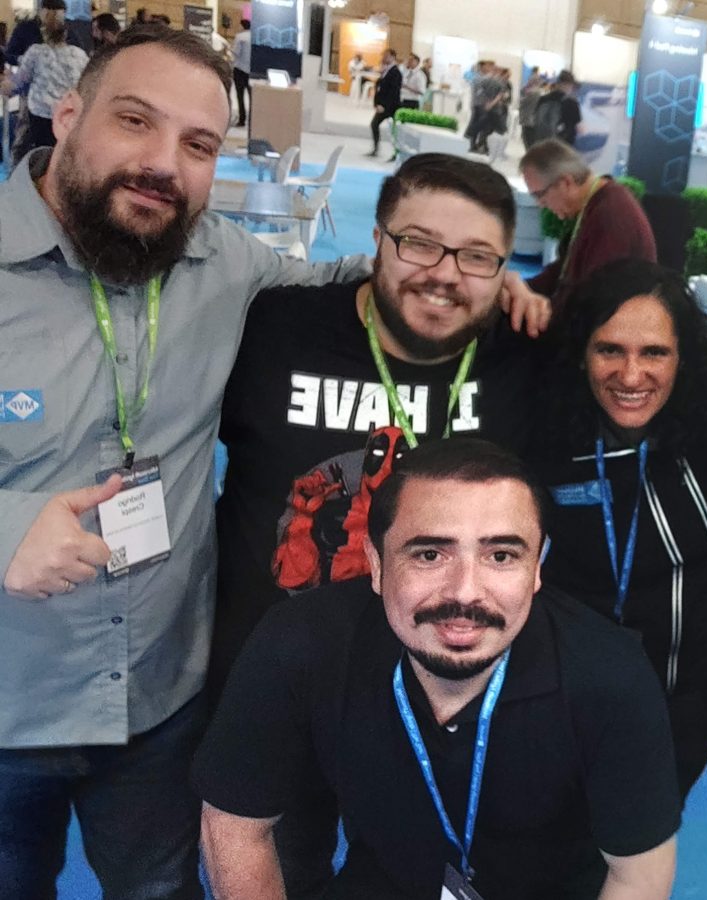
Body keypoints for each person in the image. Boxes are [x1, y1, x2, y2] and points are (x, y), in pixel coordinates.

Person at [0, 28, 374, 898]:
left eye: (199, 145)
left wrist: (469, 276)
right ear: (67, 115)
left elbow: (350, 288)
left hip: (160, 705)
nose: (164, 164)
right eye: (135, 120)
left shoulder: (224, 262)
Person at [208, 153, 554, 895]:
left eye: (477, 256)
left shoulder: (526, 358)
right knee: (275, 865)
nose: (444, 275)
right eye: (419, 243)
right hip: (281, 684)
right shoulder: (275, 327)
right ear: (377, 240)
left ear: (504, 271)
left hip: (436, 698)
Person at [194, 438, 680, 898]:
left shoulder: (610, 677)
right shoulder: (300, 643)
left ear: (536, 568)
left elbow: (638, 875)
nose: (465, 591)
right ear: (376, 564)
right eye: (429, 554)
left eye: (501, 555)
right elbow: (234, 825)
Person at [526, 260, 707, 801]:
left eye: (654, 352)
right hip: (571, 699)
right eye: (609, 349)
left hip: (694, 702)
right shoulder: (545, 432)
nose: (631, 376)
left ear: (683, 357)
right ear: (580, 352)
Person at [521, 138, 657, 319]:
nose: (541, 204)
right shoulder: (594, 203)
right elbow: (562, 273)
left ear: (566, 182)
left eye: (540, 195)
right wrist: (522, 289)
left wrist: (536, 308)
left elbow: (593, 301)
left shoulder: (611, 215)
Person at [5, 0, 87, 156]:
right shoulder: (26, 29)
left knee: (46, 144)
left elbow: (17, 81)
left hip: (45, 105)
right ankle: (21, 165)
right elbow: (11, 54)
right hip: (40, 97)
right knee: (25, 137)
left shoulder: (66, 35)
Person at [368, 48, 401, 157]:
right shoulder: (386, 70)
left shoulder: (395, 72)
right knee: (374, 124)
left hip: (391, 106)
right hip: (383, 105)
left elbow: (393, 92)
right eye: (383, 56)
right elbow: (380, 87)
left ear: (393, 57)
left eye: (386, 56)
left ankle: (396, 152)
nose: (384, 58)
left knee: (394, 130)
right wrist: (377, 103)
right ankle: (376, 148)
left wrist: (384, 105)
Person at [229, 18, 250, 127]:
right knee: (252, 97)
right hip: (251, 71)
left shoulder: (240, 37)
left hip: (240, 70)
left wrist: (229, 49)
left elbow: (236, 52)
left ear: (242, 26)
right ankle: (252, 121)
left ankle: (242, 119)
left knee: (240, 96)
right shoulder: (254, 37)